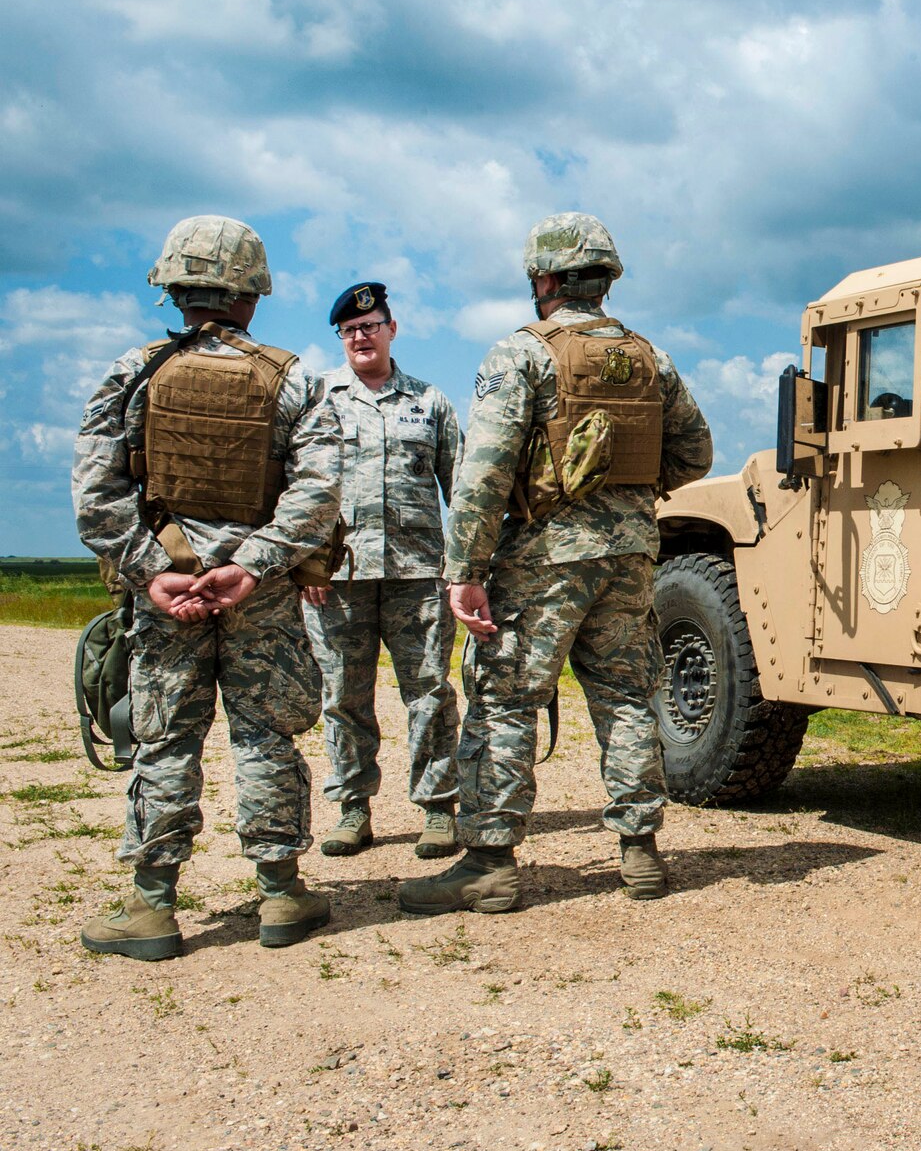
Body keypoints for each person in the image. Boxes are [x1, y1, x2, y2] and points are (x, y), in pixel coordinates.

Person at [398, 213, 712, 915]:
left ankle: (489, 863)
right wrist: (629, 499)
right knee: (627, 695)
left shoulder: (522, 355)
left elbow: (483, 473)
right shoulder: (650, 358)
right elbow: (696, 454)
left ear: (543, 278)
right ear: (604, 280)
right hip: (631, 554)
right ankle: (641, 854)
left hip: (546, 557)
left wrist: (465, 571)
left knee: (507, 698)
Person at [71, 215, 342, 959]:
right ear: (252, 296)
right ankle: (282, 894)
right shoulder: (294, 380)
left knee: (164, 742)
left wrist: (152, 574)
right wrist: (252, 566)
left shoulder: (134, 372)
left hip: (170, 594)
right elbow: (318, 495)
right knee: (265, 735)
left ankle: (153, 907)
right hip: (262, 594)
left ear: (176, 290)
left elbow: (97, 495)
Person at [303, 282, 464, 860]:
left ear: (391, 330)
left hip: (419, 576)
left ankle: (438, 808)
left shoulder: (430, 402)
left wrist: (464, 567)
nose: (360, 337)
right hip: (334, 579)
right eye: (349, 330)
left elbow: (463, 488)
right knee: (344, 697)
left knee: (428, 695)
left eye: (370, 327)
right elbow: (294, 488)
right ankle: (352, 809)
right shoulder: (316, 398)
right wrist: (304, 562)